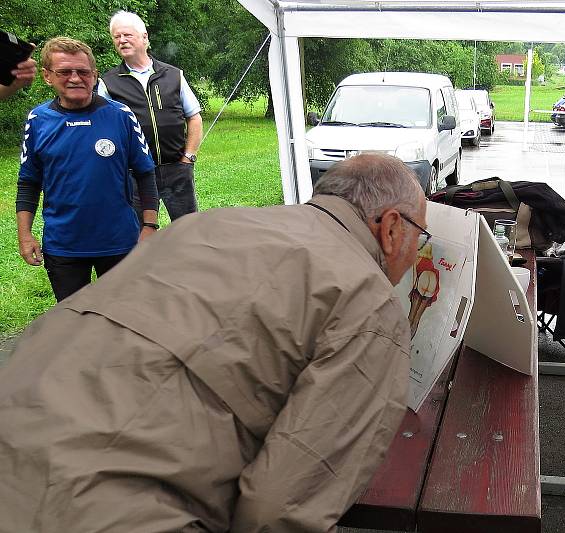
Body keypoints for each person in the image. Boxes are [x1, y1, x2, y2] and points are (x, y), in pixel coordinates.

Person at [0, 153, 428, 532]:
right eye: (420, 235)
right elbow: (281, 510)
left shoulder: (208, 223)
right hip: (107, 505)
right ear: (390, 226)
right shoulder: (368, 298)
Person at [15, 37, 158, 302]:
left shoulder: (121, 115)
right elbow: (28, 182)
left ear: (94, 76)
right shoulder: (38, 120)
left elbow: (145, 172)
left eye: (82, 72)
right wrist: (25, 235)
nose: (75, 78)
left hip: (120, 243)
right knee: (72, 323)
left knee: (123, 318)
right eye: (64, 72)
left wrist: (149, 225)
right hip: (64, 246)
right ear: (47, 76)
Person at [97, 10, 203, 222]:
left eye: (127, 35)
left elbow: (194, 117)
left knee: (188, 229)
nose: (122, 40)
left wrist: (188, 158)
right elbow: (100, 130)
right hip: (135, 173)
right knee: (138, 232)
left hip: (176, 168)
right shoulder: (108, 82)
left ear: (144, 37)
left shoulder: (173, 75)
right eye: (116, 37)